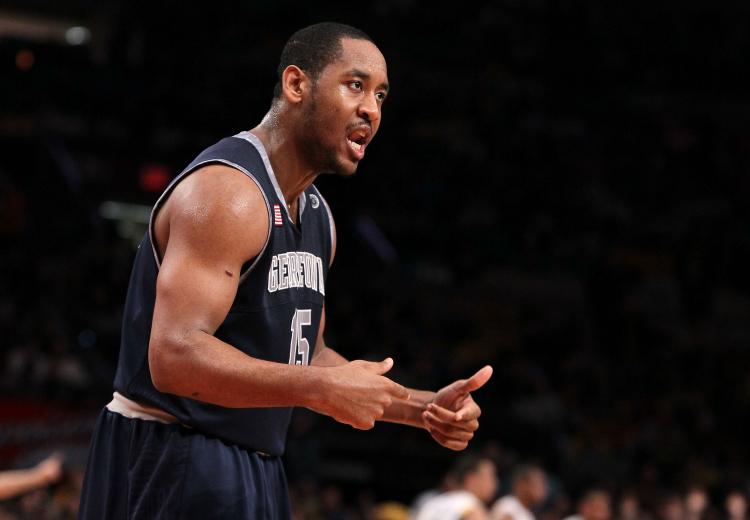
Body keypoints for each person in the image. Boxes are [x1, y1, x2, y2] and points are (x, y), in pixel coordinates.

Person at [78, 22, 493, 519]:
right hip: (170, 453)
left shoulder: (318, 217)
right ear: (297, 85)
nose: (372, 109)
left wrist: (422, 408)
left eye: (381, 95)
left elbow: (307, 356)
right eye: (355, 85)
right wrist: (319, 391)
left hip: (255, 463)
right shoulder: (229, 194)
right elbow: (173, 355)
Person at [414, 454, 498, 520]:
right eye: (491, 477)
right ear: (471, 479)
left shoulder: (433, 502)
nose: (495, 483)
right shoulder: (471, 504)